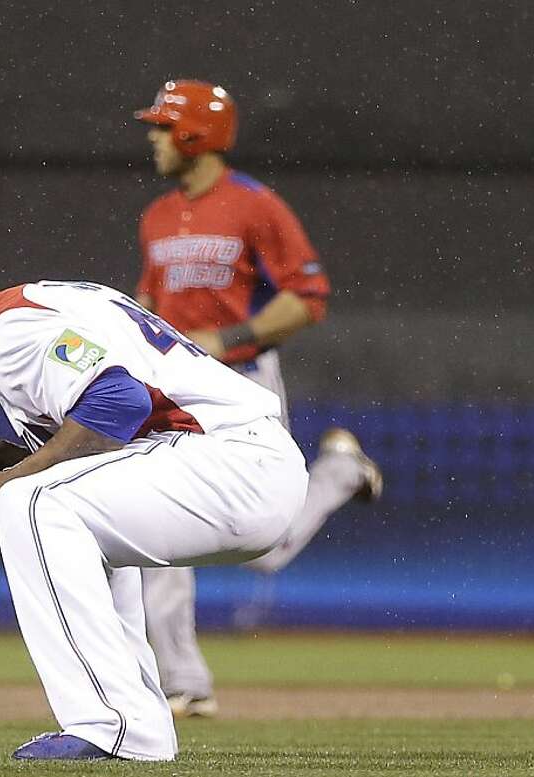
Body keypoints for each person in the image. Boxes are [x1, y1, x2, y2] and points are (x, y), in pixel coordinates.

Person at [0, 273, 311, 761]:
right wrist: (15, 463)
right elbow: (107, 432)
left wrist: (0, 488)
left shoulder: (4, 333)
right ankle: (136, 728)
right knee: (58, 511)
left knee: (29, 504)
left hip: (230, 461)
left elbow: (118, 401)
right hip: (239, 464)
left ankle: (112, 724)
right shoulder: (22, 316)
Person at [132, 79, 384, 717]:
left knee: (266, 544)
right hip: (175, 388)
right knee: (155, 521)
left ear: (195, 133)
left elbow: (309, 297)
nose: (154, 137)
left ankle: (339, 472)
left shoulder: (255, 205)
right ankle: (184, 681)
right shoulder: (157, 216)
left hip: (242, 381)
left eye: (164, 126)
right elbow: (149, 304)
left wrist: (229, 337)